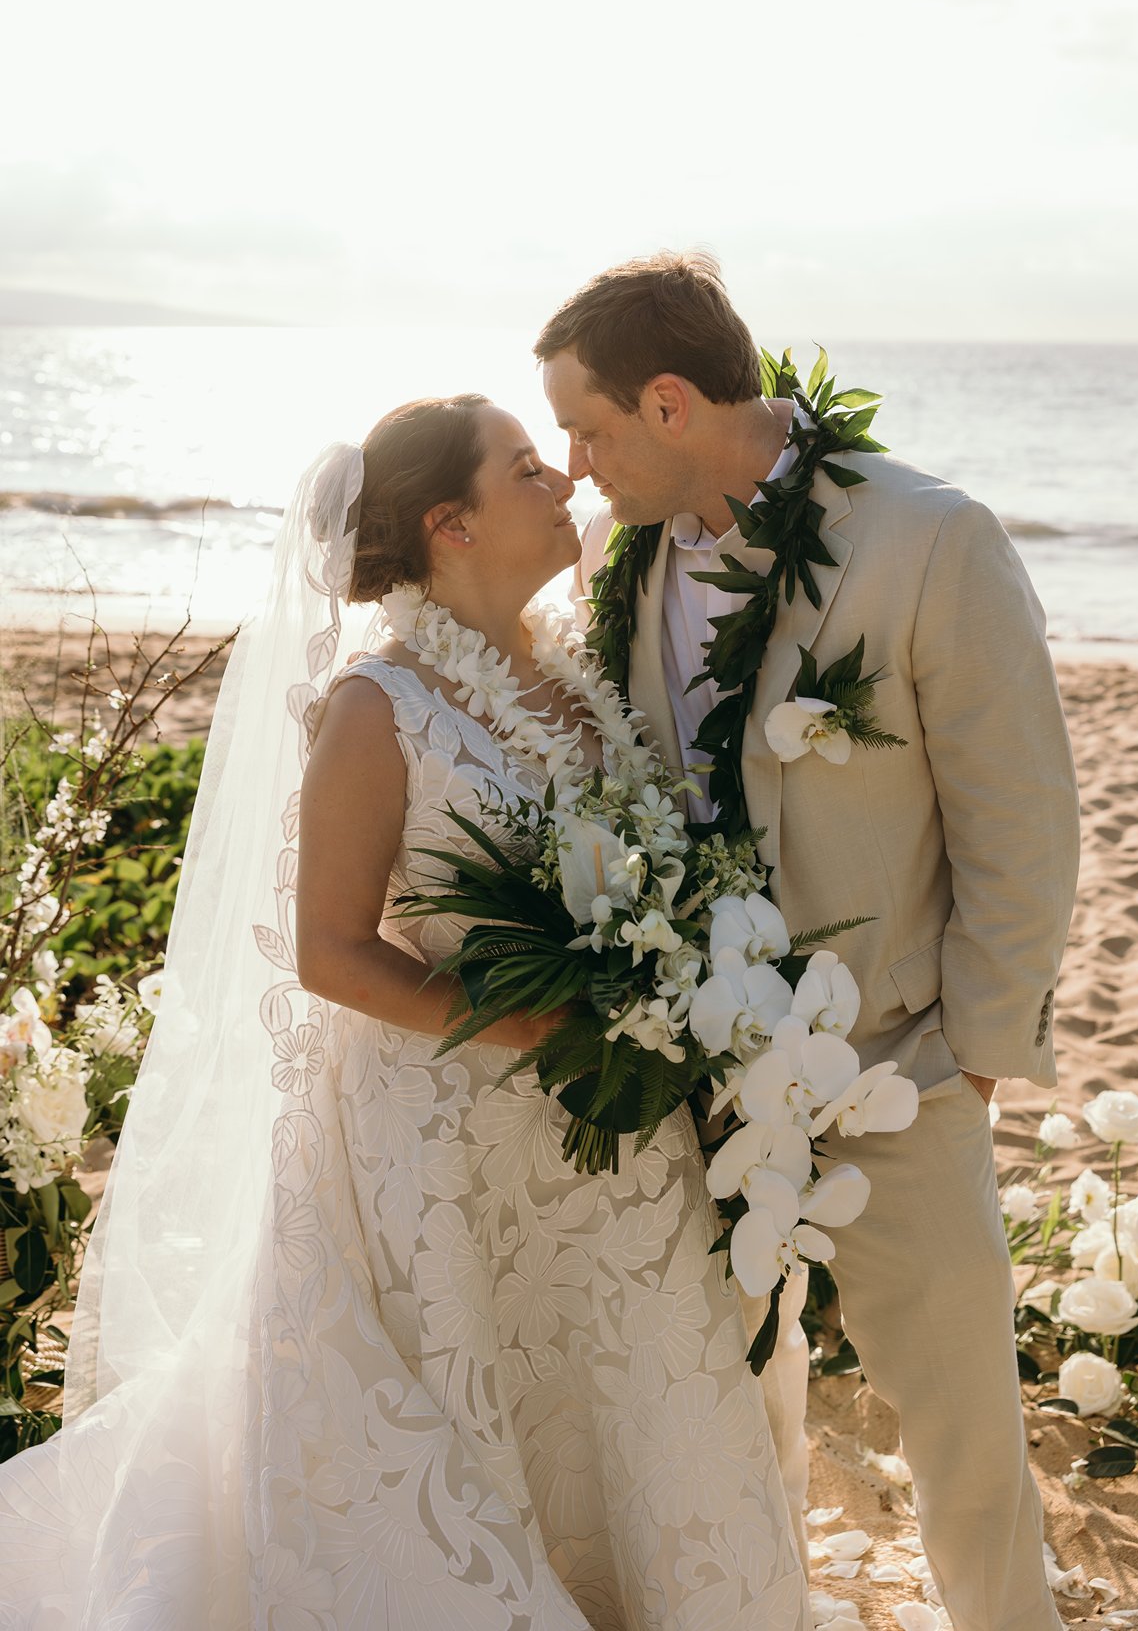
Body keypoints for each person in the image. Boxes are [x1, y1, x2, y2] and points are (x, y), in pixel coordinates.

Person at [0, 394, 812, 1630]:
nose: (564, 484)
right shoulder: (376, 708)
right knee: (467, 1407)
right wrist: (523, 1024)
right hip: (437, 1144)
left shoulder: (578, 676)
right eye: (529, 470)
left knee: (626, 1388)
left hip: (608, 1119)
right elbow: (327, 950)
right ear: (452, 523)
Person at [538, 252, 1081, 1631]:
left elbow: (1021, 818)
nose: (574, 467)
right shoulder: (619, 550)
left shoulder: (927, 540)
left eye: (588, 431)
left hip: (896, 1062)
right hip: (686, 1070)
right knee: (710, 1414)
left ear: (669, 406)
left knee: (962, 1435)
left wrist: (975, 1056)